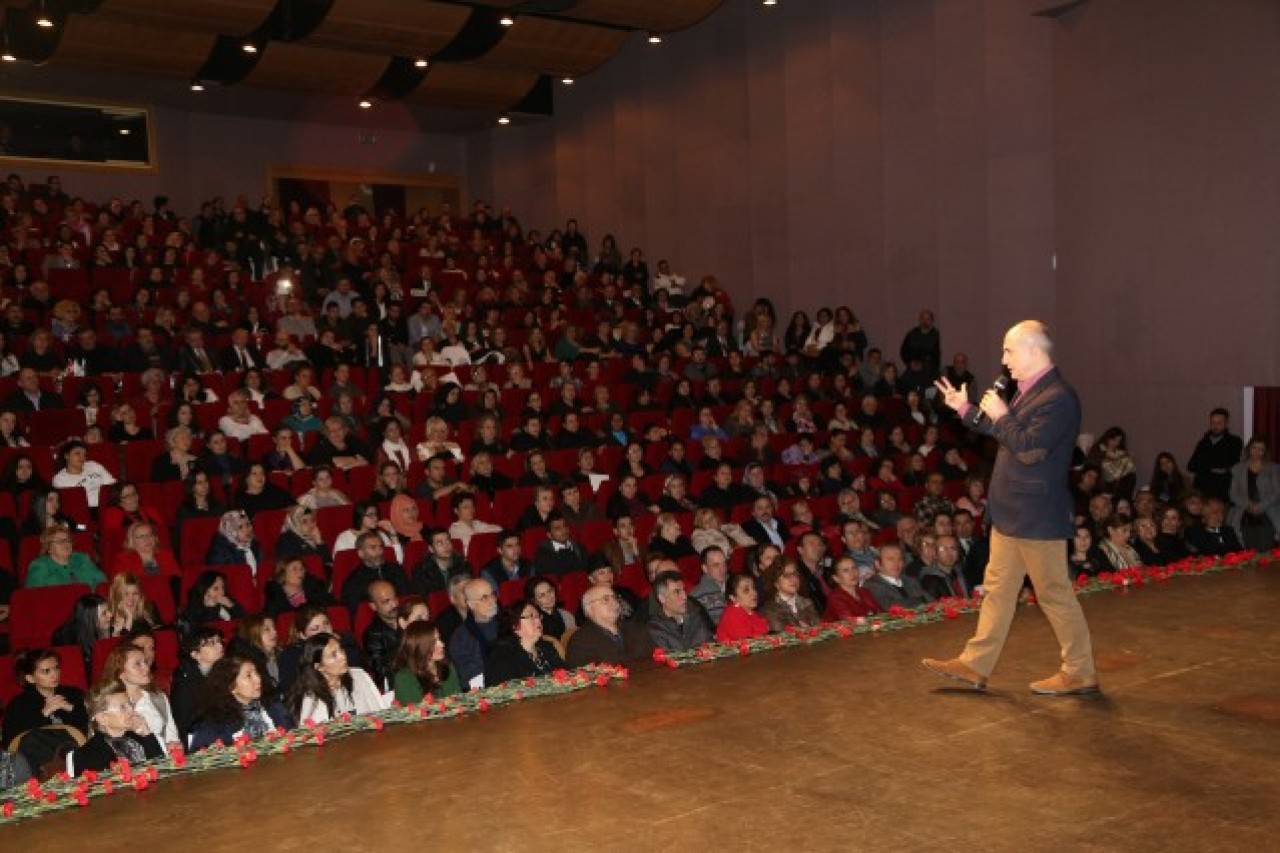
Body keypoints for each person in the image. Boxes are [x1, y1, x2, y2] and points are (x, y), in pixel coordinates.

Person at [925, 320, 1098, 695]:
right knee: (998, 591)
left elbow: (1031, 448)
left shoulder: (1058, 397)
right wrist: (966, 409)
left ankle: (1080, 669)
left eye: (1008, 351)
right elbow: (1001, 431)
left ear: (1033, 350)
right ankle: (975, 664)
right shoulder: (1027, 390)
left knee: (1053, 593)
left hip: (1037, 517)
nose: (1003, 360)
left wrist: (1003, 415)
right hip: (1011, 514)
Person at [189, 656, 294, 751]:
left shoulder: (273, 706)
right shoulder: (216, 722)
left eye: (256, 673)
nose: (258, 679)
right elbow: (202, 755)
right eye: (249, 676)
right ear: (232, 687)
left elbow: (292, 736)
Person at [97, 641, 181, 754]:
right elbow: (101, 742)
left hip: (160, 758)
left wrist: (174, 746)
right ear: (120, 672)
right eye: (138, 664)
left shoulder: (158, 697)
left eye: (145, 662)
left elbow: (172, 736)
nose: (146, 668)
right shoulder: (108, 702)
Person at [68, 680, 164, 777]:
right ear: (102, 718)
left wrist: (146, 733)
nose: (132, 710)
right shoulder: (88, 755)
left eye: (130, 704)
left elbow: (163, 770)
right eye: (123, 707)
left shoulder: (139, 738)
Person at [287, 633, 387, 723]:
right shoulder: (312, 698)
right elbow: (314, 735)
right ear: (319, 667)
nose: (343, 656)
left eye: (341, 650)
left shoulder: (359, 675)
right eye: (333, 655)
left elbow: (380, 713)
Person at [2, 648, 89, 750]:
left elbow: (93, 723)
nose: (54, 674)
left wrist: (72, 709)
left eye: (56, 668)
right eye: (46, 671)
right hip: (39, 756)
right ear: (30, 678)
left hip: (77, 750)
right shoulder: (18, 704)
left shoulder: (73, 693)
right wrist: (44, 713)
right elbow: (11, 742)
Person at [565, 584, 655, 667]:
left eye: (615, 598)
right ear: (589, 609)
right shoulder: (580, 641)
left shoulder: (636, 629)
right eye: (606, 599)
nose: (614, 603)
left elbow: (654, 657)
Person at [484, 600, 567, 685]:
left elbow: (567, 676)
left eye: (538, 616)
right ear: (515, 626)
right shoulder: (503, 654)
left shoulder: (547, 647)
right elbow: (507, 690)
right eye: (531, 617)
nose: (538, 621)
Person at [448, 578, 501, 690]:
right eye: (484, 597)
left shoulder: (506, 623)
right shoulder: (461, 637)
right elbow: (469, 676)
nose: (492, 600)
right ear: (470, 604)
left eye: (493, 594)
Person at [1228, 436, 1280, 549]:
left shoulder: (1274, 469)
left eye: (1261, 449)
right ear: (1249, 449)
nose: (1257, 452)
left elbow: (1277, 492)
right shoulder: (1238, 468)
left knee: (1265, 552)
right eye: (1254, 448)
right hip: (1244, 514)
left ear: (1265, 451)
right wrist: (1248, 505)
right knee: (1247, 552)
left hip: (1267, 514)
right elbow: (1233, 493)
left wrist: (1260, 506)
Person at [392, 620, 461, 704]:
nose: (442, 644)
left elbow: (458, 701)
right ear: (420, 647)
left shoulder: (447, 667)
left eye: (439, 639)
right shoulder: (404, 678)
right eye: (434, 642)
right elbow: (416, 712)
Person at [647, 570, 715, 652]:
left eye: (684, 590)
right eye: (677, 592)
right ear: (662, 598)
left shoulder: (696, 617)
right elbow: (670, 659)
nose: (685, 596)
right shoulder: (656, 629)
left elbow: (711, 648)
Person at [1187, 408, 1243, 502]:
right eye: (1213, 422)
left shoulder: (1235, 441)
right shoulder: (1203, 442)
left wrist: (1203, 464)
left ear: (1226, 423)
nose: (1215, 426)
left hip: (1221, 490)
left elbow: (1226, 464)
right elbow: (1191, 466)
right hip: (1201, 490)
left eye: (1219, 423)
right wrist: (1212, 467)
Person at [26, 524, 106, 588]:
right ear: (49, 548)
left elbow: (102, 582)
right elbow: (34, 596)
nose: (66, 543)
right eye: (60, 541)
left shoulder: (82, 558)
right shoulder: (39, 566)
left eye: (68, 540)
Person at [758, 558, 821, 631]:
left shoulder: (807, 602)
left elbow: (819, 629)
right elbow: (783, 635)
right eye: (786, 575)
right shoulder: (769, 609)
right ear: (776, 583)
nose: (793, 578)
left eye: (795, 574)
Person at [362, 580, 402, 692]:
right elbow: (381, 673)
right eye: (386, 601)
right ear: (373, 606)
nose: (394, 604)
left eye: (394, 598)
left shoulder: (409, 619)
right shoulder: (372, 634)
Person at [264, 557, 336, 616]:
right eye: (294, 569)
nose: (300, 572)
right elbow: (273, 618)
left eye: (301, 569)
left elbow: (331, 605)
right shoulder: (274, 593)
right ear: (283, 573)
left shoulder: (314, 587)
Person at [822, 555, 882, 621]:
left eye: (854, 568)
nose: (852, 573)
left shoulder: (864, 591)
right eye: (846, 570)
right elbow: (852, 623)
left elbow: (881, 613)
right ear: (836, 578)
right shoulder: (835, 598)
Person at [715, 573, 770, 642]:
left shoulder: (751, 612)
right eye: (746, 590)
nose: (754, 593)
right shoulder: (731, 614)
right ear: (733, 598)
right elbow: (748, 640)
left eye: (753, 588)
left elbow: (766, 631)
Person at [525, 575, 577, 642]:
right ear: (534, 601)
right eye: (542, 595)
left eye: (550, 591)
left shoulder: (567, 615)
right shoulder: (532, 622)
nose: (549, 597)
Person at [689, 546, 730, 625]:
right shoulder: (696, 596)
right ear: (705, 569)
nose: (722, 569)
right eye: (716, 565)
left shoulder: (736, 585)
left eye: (724, 563)